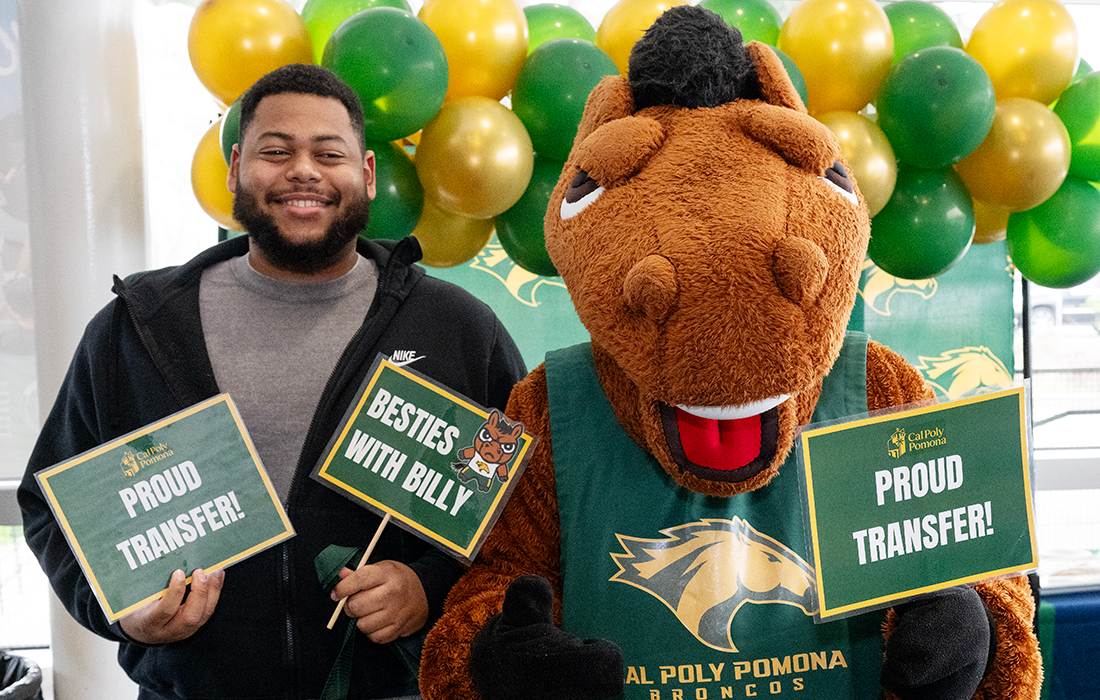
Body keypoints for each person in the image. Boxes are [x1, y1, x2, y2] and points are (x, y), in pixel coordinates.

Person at [17, 63, 526, 699]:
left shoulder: (458, 330)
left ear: (366, 175)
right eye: (276, 151)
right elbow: (51, 504)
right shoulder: (138, 327)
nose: (303, 171)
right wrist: (120, 609)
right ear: (235, 170)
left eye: (328, 153)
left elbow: (527, 511)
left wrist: (431, 586)